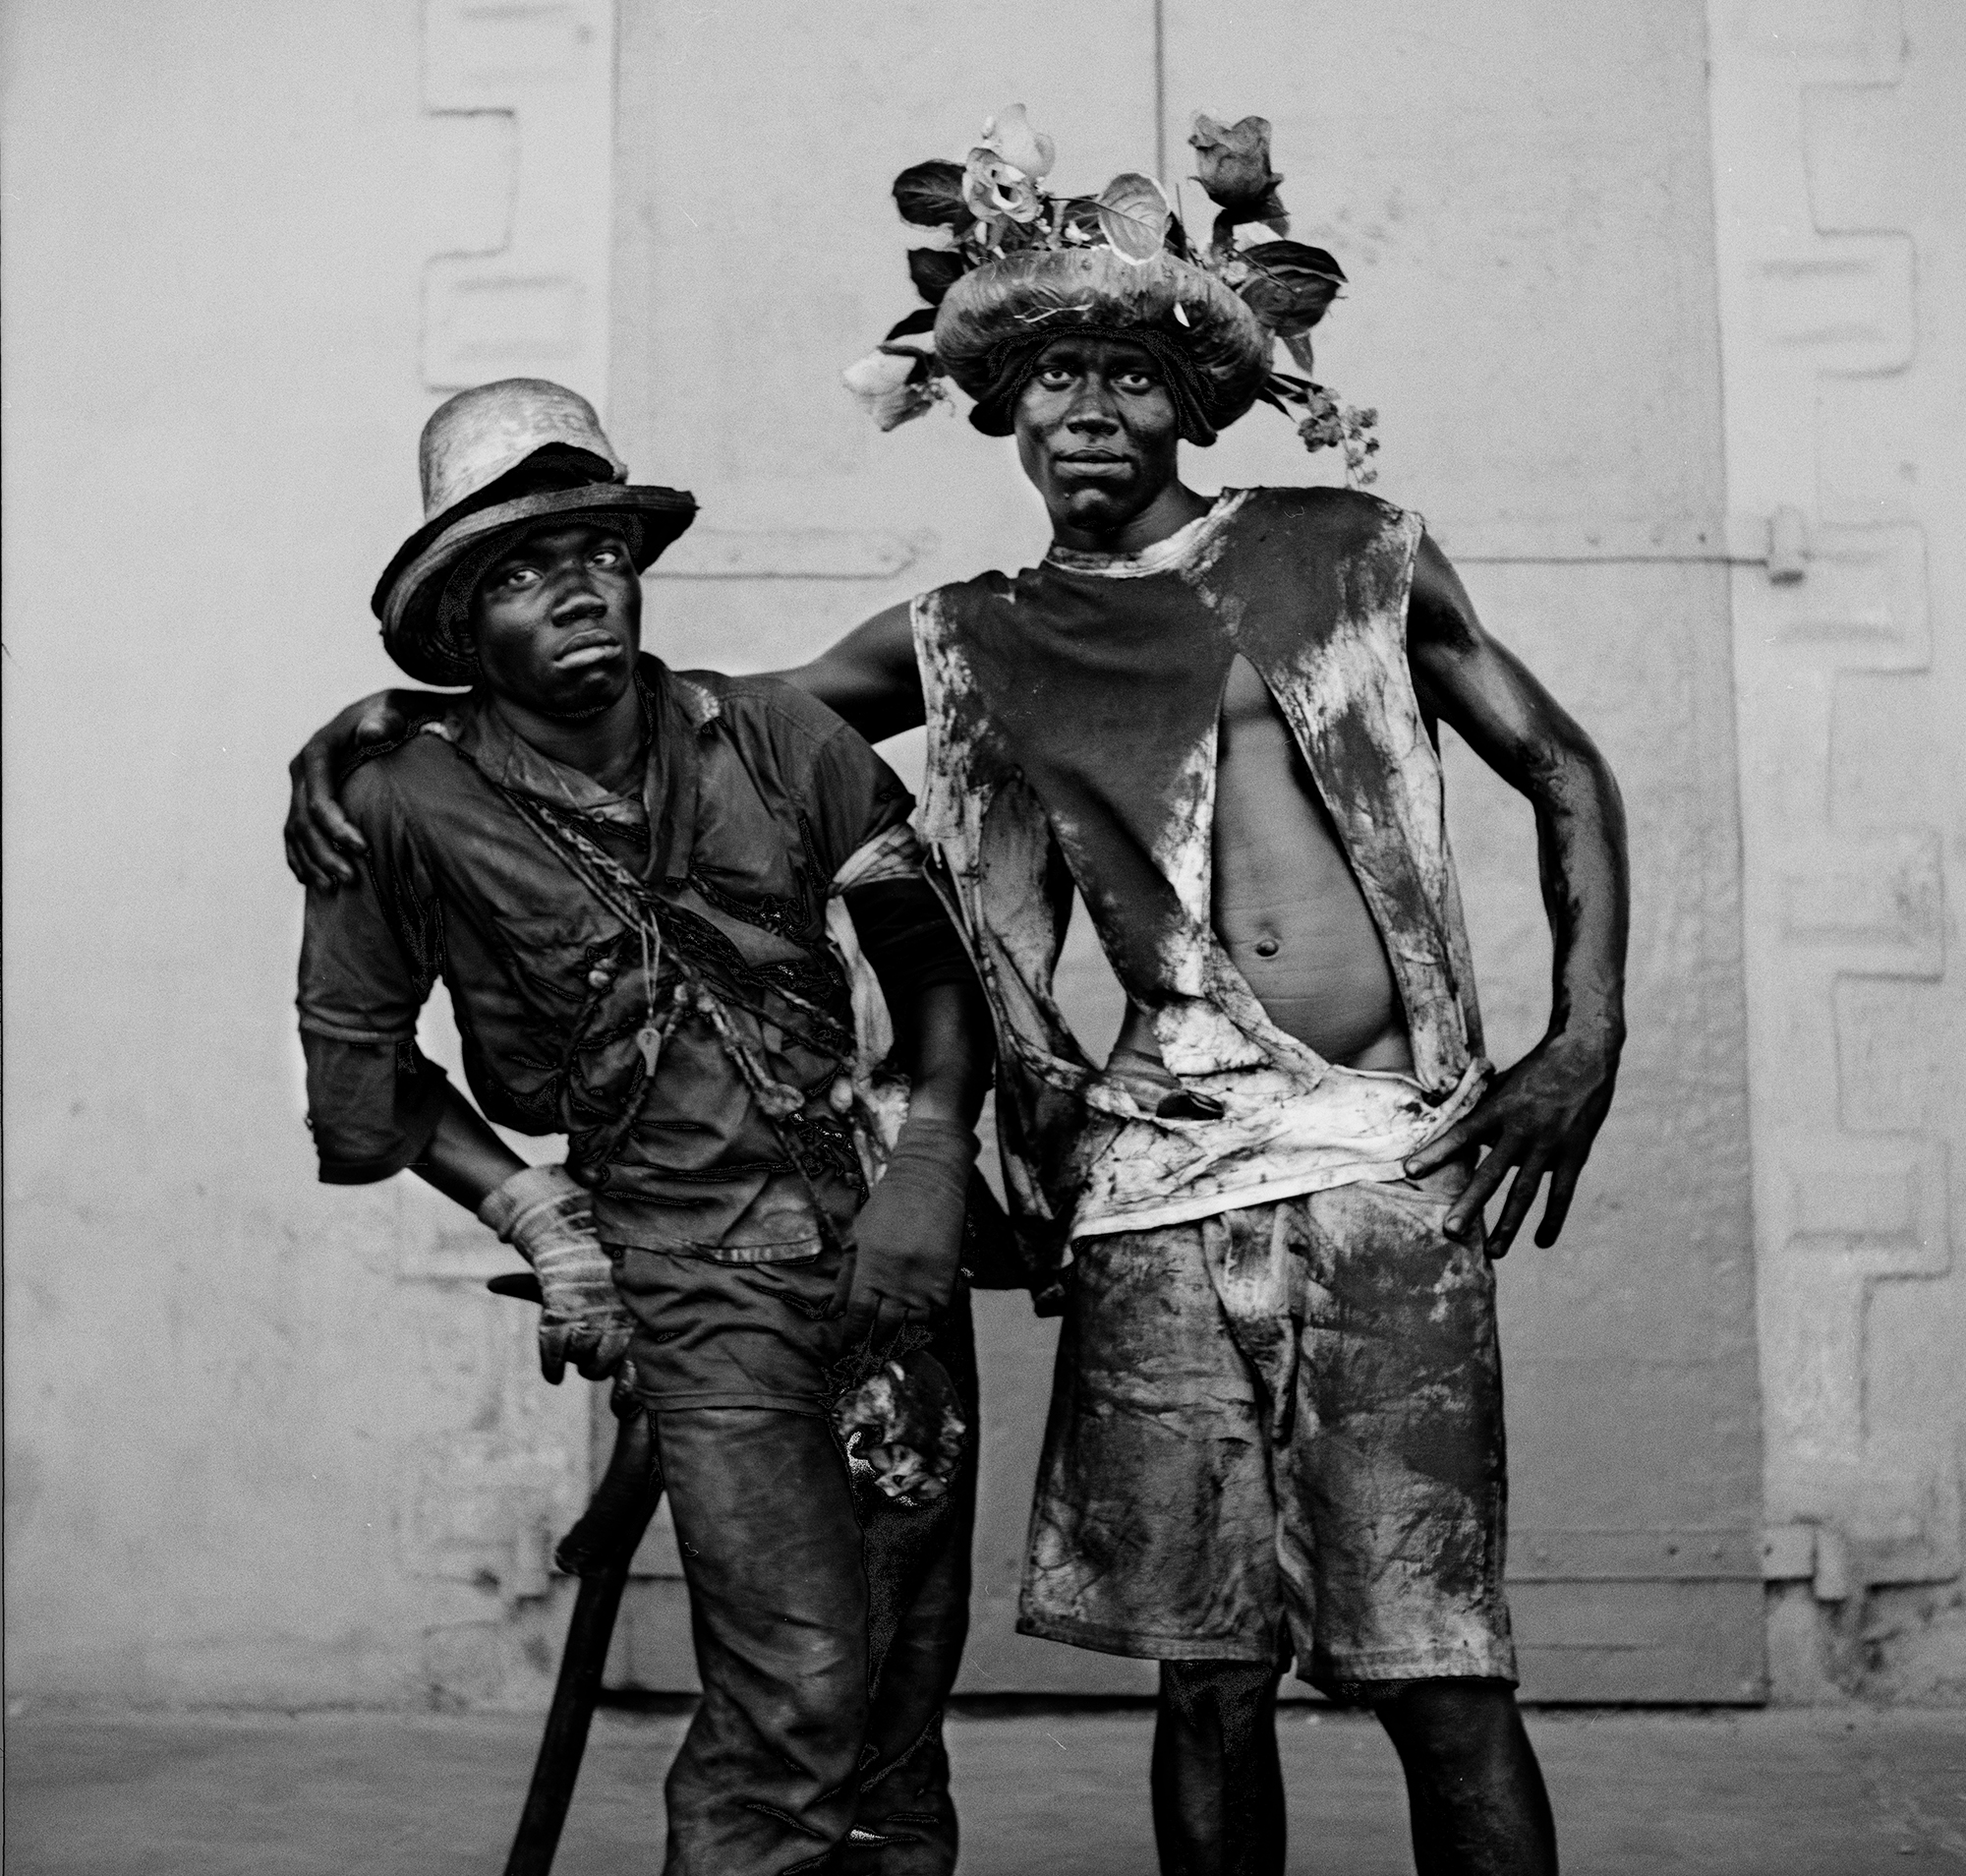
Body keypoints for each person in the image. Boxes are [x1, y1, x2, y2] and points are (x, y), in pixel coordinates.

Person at [288, 115, 1628, 1876]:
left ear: (1188, 400)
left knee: (1437, 1664)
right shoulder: (966, 634)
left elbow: (1562, 768)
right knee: (1202, 1674)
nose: (1087, 408)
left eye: (1128, 373)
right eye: (1051, 374)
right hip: (1154, 1179)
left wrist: (1584, 1036)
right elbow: (660, 716)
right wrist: (399, 722)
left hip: (1378, 1158)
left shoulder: (1345, 546)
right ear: (997, 411)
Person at [293, 377, 993, 1876]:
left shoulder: (777, 735)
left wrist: (932, 1162)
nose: (574, 591)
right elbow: (360, 1075)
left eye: (595, 551)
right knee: (799, 1687)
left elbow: (934, 961)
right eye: (519, 573)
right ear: (457, 626)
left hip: (890, 1267)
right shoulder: (397, 805)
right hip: (694, 1284)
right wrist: (535, 1214)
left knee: (894, 1711)